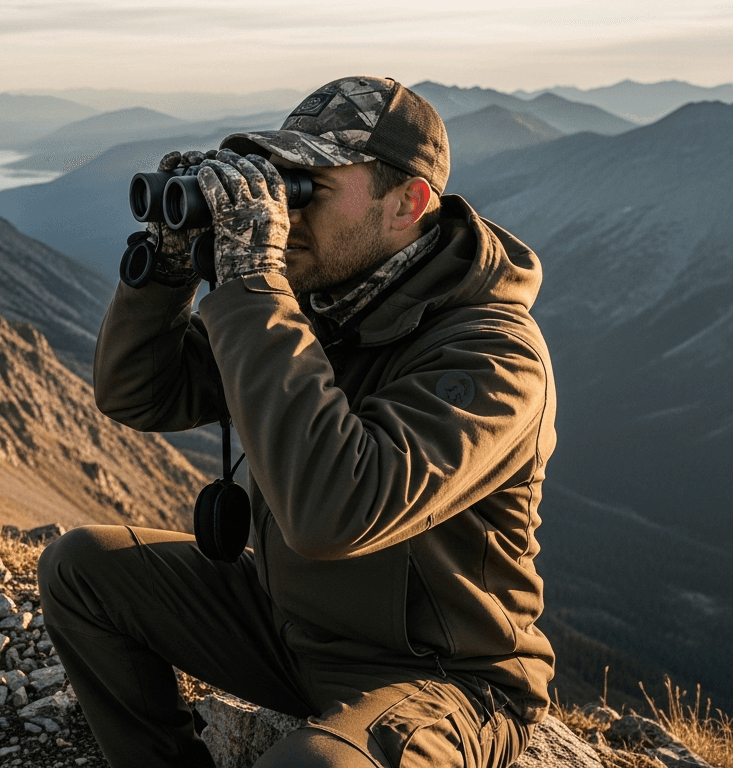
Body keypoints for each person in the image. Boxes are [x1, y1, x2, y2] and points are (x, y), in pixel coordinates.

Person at [37, 75, 557, 767]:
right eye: (279, 182)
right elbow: (139, 392)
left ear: (409, 202)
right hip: (293, 627)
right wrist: (165, 269)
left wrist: (254, 285)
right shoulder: (321, 301)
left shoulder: (494, 355)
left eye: (309, 186)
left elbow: (334, 514)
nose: (287, 212)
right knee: (82, 569)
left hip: (440, 677)